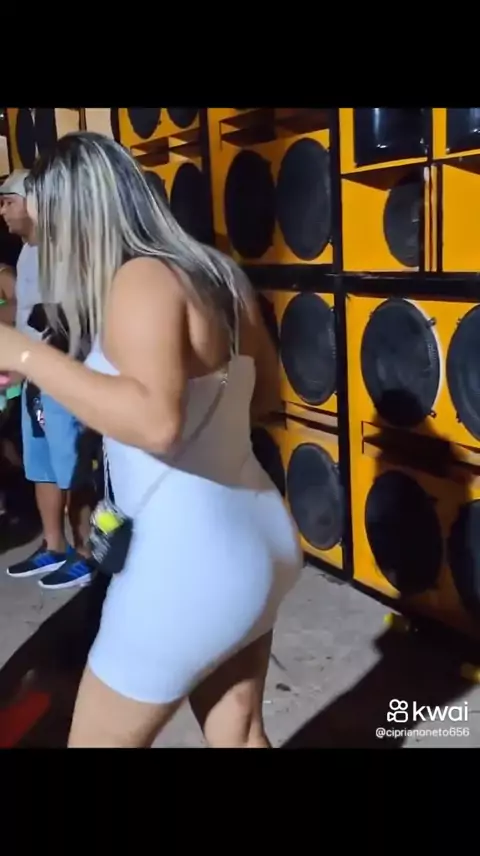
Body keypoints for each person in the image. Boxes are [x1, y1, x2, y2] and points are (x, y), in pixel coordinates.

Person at [0, 132, 303, 749]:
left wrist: (24, 354)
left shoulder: (138, 279)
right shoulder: (217, 272)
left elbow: (156, 423)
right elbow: (266, 396)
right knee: (241, 738)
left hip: (186, 562)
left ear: (73, 213)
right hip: (259, 536)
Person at [0, 169, 96, 589]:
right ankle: (54, 547)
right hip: (33, 379)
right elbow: (23, 312)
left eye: (9, 201)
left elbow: (60, 325)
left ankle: (87, 553)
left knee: (73, 467)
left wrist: (25, 364)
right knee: (41, 466)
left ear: (35, 202)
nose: (3, 211)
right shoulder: (27, 253)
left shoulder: (61, 253)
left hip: (61, 379)